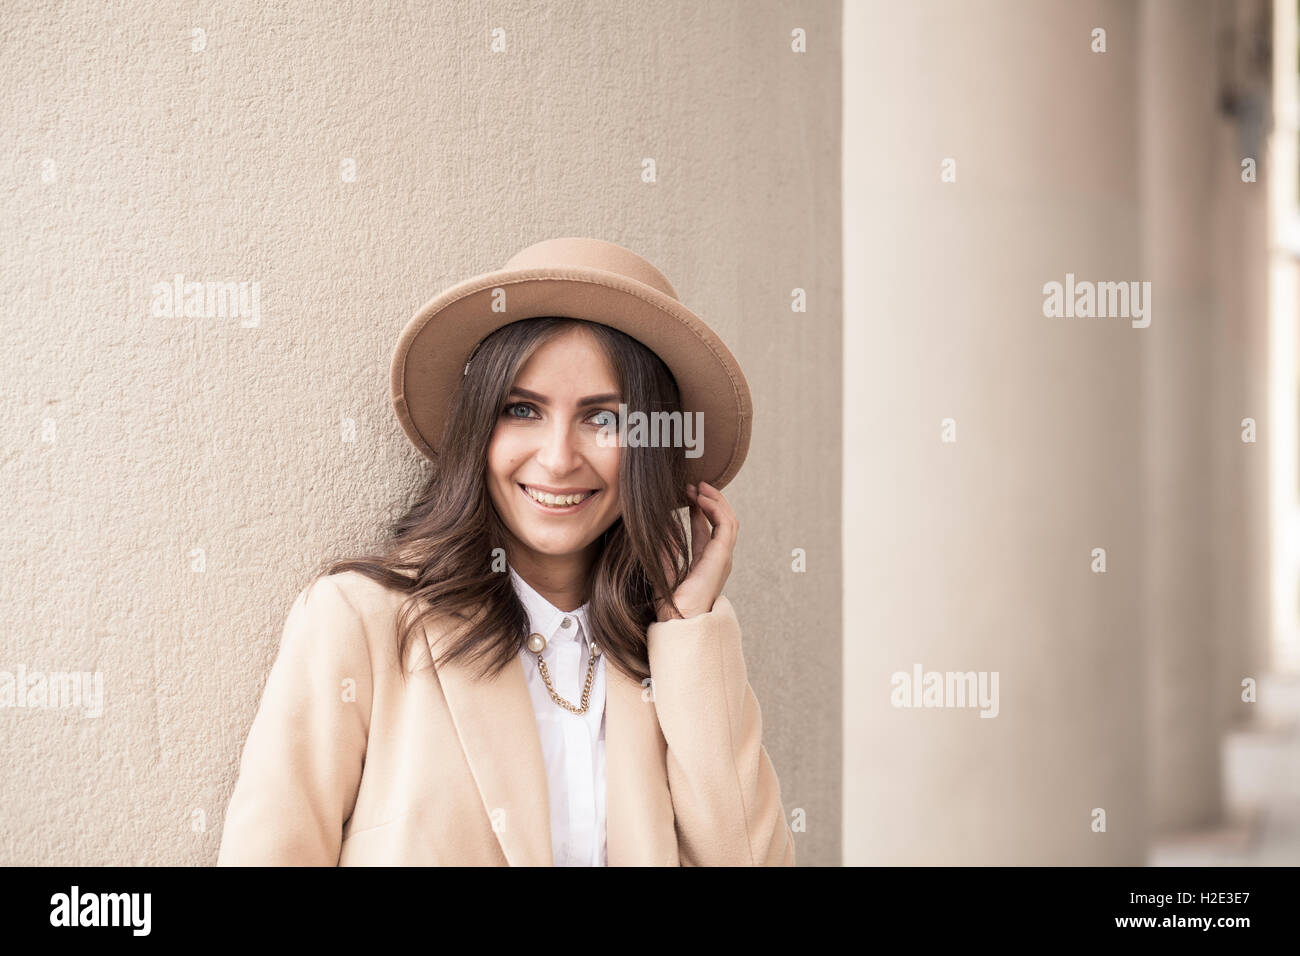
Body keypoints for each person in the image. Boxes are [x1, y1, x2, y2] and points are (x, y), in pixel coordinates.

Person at [216, 237, 795, 866]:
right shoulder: (359, 621)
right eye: (523, 410)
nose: (557, 458)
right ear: (479, 427)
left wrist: (688, 633)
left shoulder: (672, 652)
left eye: (602, 419)